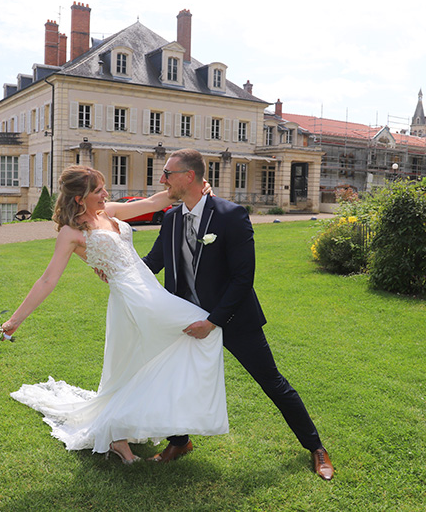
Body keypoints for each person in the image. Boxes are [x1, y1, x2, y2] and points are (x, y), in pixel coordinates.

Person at [2, 165, 227, 464]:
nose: (106, 194)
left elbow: (155, 202)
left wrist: (199, 188)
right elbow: (47, 280)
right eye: (98, 191)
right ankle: (142, 433)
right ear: (80, 198)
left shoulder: (108, 212)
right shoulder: (71, 233)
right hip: (132, 299)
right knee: (201, 327)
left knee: (135, 365)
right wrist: (14, 321)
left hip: (150, 290)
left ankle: (126, 433)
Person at [142, 148, 334, 480]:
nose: (162, 180)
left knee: (272, 382)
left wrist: (213, 321)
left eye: (167, 174)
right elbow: (153, 263)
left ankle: (316, 447)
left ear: (189, 176)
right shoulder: (171, 219)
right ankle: (179, 442)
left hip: (233, 318)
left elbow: (243, 278)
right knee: (173, 380)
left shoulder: (231, 215)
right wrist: (118, 270)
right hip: (185, 319)